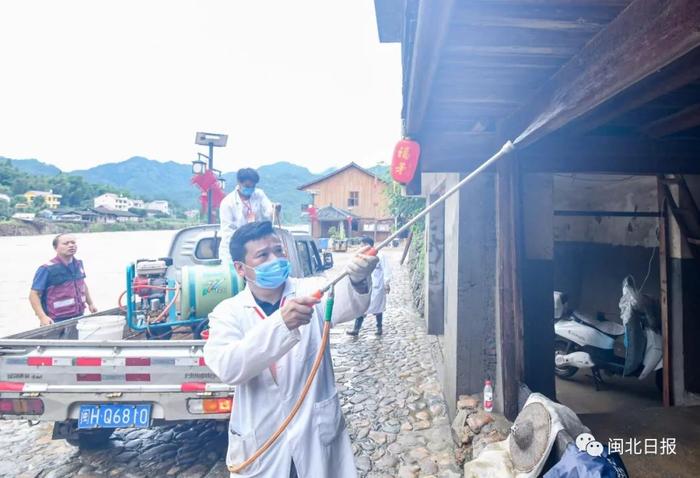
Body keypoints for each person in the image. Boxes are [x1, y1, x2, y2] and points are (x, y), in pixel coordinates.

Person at [203, 221, 378, 477]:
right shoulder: (227, 313)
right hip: (262, 442)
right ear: (240, 268)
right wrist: (280, 324)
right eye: (263, 255)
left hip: (314, 434)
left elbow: (349, 302)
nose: (275, 259)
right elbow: (229, 368)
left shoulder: (310, 291)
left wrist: (357, 279)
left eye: (279, 251)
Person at [29, 234, 97, 326]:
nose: (71, 245)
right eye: (66, 243)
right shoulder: (47, 269)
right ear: (55, 247)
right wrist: (42, 317)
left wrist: (91, 303)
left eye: (73, 242)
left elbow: (82, 285)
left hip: (79, 316)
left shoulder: (78, 264)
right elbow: (33, 295)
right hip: (56, 320)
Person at [218, 168, 276, 264]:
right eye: (247, 186)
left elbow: (269, 211)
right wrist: (244, 243)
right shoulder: (227, 203)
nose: (250, 189)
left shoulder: (259, 194)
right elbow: (227, 232)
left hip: (257, 246)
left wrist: (275, 210)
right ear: (239, 183)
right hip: (233, 249)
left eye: (253, 186)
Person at [346, 236, 391, 336]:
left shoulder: (381, 255)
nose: (360, 246)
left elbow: (386, 269)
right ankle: (356, 329)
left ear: (367, 245)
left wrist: (386, 283)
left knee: (378, 309)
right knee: (361, 308)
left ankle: (379, 328)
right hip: (366, 287)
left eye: (362, 244)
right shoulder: (360, 257)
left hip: (377, 287)